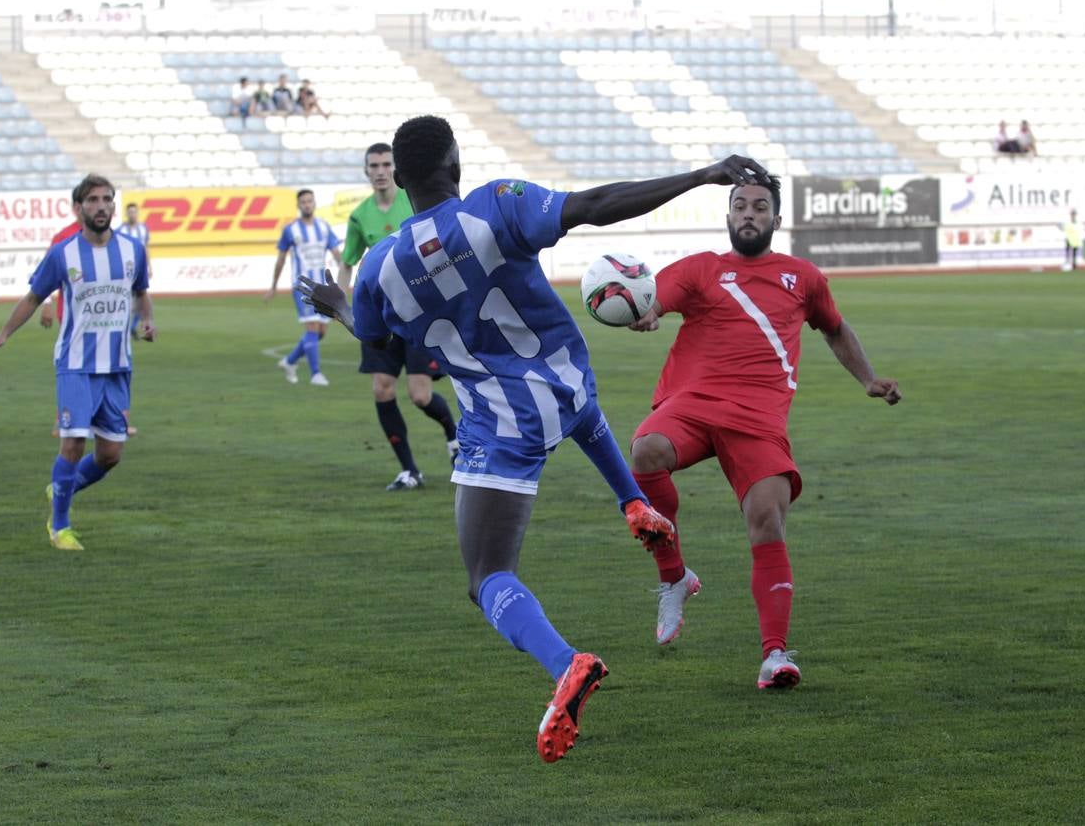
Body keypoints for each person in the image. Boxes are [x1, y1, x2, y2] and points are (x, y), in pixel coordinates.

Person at [298, 115, 765, 763]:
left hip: (503, 420)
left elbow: (377, 339)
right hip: (570, 384)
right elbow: (597, 207)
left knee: (487, 574)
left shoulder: (380, 268)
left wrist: (335, 305)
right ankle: (633, 500)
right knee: (572, 399)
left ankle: (567, 663)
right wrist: (702, 175)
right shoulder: (495, 205)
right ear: (455, 167)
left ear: (398, 181)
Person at [626, 175, 902, 692]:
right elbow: (653, 302)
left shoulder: (803, 277)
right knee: (646, 451)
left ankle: (774, 655)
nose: (748, 213)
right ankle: (674, 576)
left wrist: (868, 379)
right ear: (728, 217)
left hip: (758, 418)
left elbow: (835, 328)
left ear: (776, 220)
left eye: (759, 207)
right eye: (739, 206)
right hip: (693, 403)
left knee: (767, 519)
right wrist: (643, 316)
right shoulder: (699, 269)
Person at [0, 174, 154, 551]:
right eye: (92, 200)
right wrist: (4, 334)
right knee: (74, 443)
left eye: (107, 199)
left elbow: (141, 290)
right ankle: (59, 527)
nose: (101, 206)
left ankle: (62, 487)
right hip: (75, 362)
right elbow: (32, 297)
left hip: (118, 365)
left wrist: (148, 319)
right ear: (79, 208)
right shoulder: (64, 253)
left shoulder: (133, 250)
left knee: (110, 456)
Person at [339, 142, 458, 491]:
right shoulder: (360, 216)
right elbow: (348, 262)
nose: (378, 170)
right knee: (382, 389)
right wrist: (344, 302)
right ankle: (409, 471)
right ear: (366, 170)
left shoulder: (414, 202)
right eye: (372, 165)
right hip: (378, 314)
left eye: (384, 164)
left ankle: (453, 436)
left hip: (418, 314)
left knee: (419, 395)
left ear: (395, 169)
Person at [266, 189, 343, 386]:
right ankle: (315, 374)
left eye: (310, 201)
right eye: (303, 202)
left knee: (321, 332)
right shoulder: (290, 230)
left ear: (314, 203)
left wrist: (343, 277)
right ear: (298, 205)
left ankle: (290, 361)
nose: (307, 205)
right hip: (302, 286)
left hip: (322, 286)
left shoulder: (324, 228)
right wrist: (273, 286)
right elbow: (281, 259)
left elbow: (336, 254)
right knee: (312, 327)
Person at [115, 202, 153, 338]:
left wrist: (149, 266)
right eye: (130, 212)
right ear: (126, 214)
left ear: (137, 213)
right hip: (126, 271)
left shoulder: (143, 229)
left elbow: (145, 249)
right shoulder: (120, 230)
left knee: (142, 299)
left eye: (134, 212)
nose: (132, 214)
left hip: (140, 270)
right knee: (126, 302)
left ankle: (131, 327)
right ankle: (126, 328)